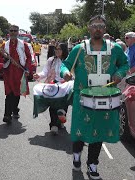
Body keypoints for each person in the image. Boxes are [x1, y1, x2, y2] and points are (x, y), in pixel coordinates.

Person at [61, 15, 129, 179]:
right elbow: (66, 65)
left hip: (105, 96)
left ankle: (93, 164)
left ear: (105, 29)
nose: (98, 28)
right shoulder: (79, 48)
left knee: (99, 131)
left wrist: (119, 73)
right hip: (82, 96)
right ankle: (76, 155)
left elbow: (125, 64)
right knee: (80, 130)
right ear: (89, 28)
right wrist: (65, 73)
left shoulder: (115, 49)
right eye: (94, 25)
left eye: (101, 25)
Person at [33, 43, 71, 134]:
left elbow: (72, 74)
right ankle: (54, 125)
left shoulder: (69, 61)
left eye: (59, 49)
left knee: (62, 107)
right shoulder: (51, 60)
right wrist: (38, 75)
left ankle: (61, 121)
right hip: (53, 85)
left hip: (65, 86)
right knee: (53, 106)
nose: (57, 51)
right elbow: (45, 72)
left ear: (64, 50)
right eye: (56, 49)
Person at [0, 25, 31, 123]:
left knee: (17, 94)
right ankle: (7, 115)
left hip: (19, 72)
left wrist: (27, 68)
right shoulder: (5, 45)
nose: (13, 32)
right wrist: (6, 58)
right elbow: (0, 59)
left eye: (15, 31)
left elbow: (29, 57)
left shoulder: (23, 44)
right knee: (9, 94)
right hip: (8, 73)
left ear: (18, 32)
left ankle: (15, 109)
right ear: (9, 32)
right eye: (11, 31)